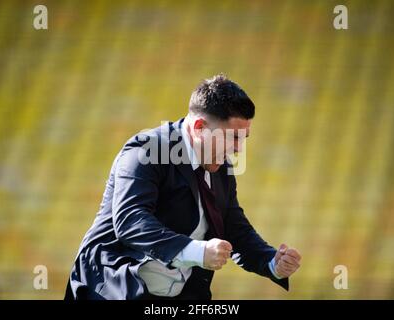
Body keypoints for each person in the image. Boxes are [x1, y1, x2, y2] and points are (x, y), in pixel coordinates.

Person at [65, 74, 301, 300]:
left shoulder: (222, 167)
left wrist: (272, 262)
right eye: (233, 137)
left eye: (243, 138)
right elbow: (130, 220)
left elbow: (232, 225)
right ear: (199, 127)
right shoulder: (147, 150)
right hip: (112, 289)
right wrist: (196, 251)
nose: (238, 148)